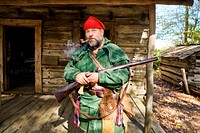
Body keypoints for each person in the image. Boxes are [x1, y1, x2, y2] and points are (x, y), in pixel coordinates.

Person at [64, 16, 130, 133]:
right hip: (86, 105)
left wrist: (100, 77)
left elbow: (124, 74)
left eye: (94, 30)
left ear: (102, 32)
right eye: (87, 31)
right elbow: (68, 70)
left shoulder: (114, 50)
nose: (90, 34)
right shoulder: (81, 52)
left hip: (109, 104)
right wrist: (76, 75)